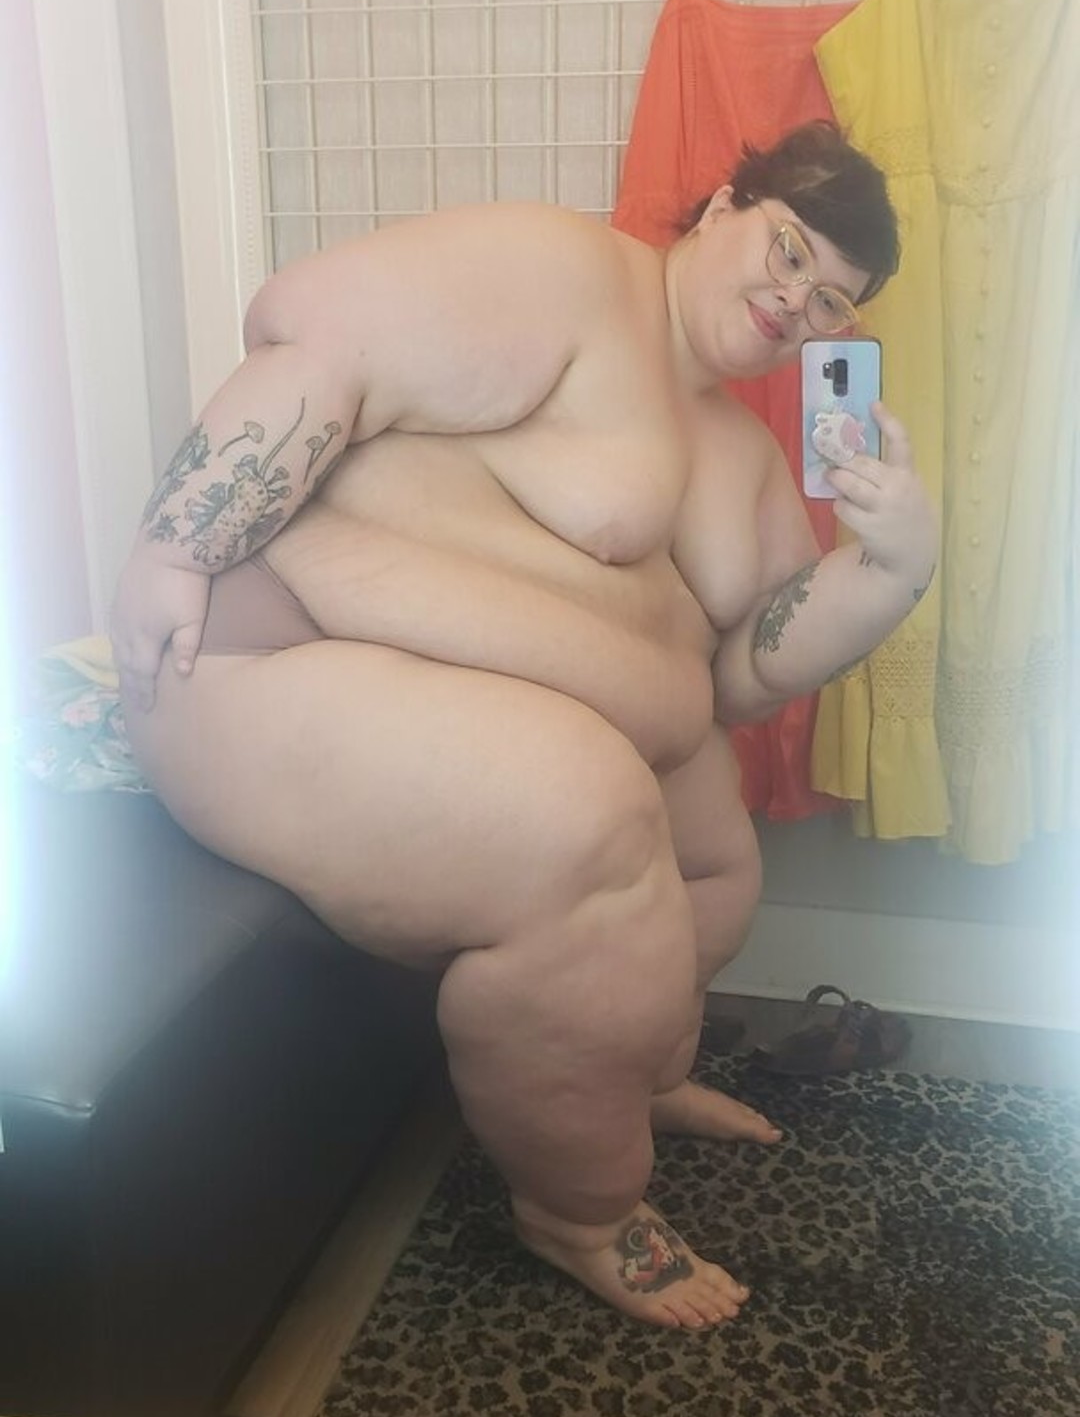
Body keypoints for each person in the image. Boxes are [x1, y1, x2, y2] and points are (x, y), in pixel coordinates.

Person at [111, 122, 936, 1331]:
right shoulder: (569, 275)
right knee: (592, 811)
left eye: (829, 302)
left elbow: (751, 669)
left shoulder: (746, 452)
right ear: (722, 205)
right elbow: (319, 333)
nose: (794, 301)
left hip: (431, 691)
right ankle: (581, 1209)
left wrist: (890, 564)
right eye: (789, 250)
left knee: (716, 854)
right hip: (267, 652)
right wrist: (175, 548)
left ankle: (633, 1076)